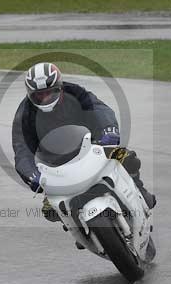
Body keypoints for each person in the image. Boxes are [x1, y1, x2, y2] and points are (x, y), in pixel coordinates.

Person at [12, 62, 155, 221]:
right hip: (54, 165)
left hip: (92, 145)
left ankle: (140, 189)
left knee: (128, 157)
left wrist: (108, 130)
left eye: (49, 93)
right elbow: (21, 150)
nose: (45, 99)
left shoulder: (75, 92)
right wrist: (31, 174)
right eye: (39, 95)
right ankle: (76, 227)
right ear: (30, 94)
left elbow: (100, 109)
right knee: (50, 211)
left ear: (59, 88)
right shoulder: (24, 114)